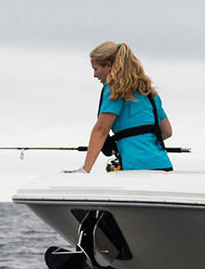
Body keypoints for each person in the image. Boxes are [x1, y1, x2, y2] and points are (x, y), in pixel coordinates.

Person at [73, 42, 173, 173]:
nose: (95, 75)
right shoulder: (149, 92)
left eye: (95, 69)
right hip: (163, 165)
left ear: (108, 65)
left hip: (136, 168)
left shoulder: (115, 88)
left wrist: (85, 170)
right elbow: (167, 131)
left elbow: (101, 130)